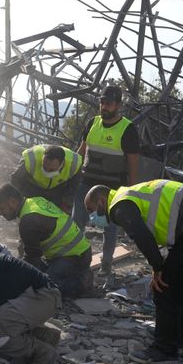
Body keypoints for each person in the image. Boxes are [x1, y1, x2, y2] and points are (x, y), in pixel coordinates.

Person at [84, 180, 183, 364]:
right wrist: (159, 265)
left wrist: (157, 267)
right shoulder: (132, 193)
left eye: (92, 210)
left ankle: (164, 350)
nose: (92, 216)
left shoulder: (119, 205)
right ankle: (177, 338)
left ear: (101, 201)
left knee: (165, 288)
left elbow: (141, 235)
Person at [72, 85, 141, 276]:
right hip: (86, 184)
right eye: (102, 102)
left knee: (110, 229)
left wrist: (131, 190)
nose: (104, 106)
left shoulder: (127, 129)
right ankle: (74, 261)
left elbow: (133, 162)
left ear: (118, 105)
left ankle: (106, 265)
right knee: (77, 223)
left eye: (108, 103)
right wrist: (72, 173)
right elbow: (82, 150)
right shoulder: (92, 123)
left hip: (112, 189)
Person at [0, 183, 92, 298]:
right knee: (39, 274)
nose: (0, 213)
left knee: (46, 288)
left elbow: (33, 259)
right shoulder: (35, 201)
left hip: (74, 257)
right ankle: (76, 274)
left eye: (2, 208)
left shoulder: (28, 221)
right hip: (81, 251)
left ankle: (82, 284)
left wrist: (14, 277)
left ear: (13, 202)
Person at [11, 144, 83, 212]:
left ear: (62, 163)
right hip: (32, 186)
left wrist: (66, 203)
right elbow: (16, 179)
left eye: (52, 170)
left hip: (57, 189)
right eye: (44, 168)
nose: (47, 172)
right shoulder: (30, 158)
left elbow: (74, 185)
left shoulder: (74, 164)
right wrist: (18, 200)